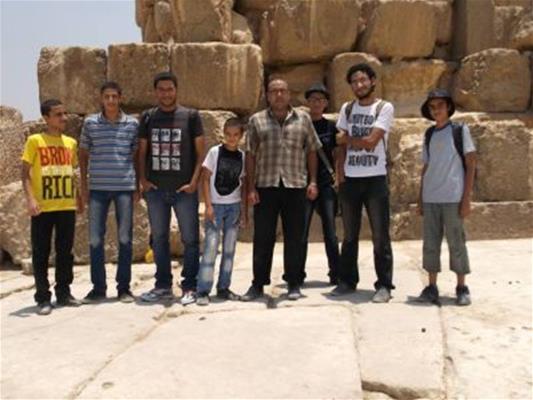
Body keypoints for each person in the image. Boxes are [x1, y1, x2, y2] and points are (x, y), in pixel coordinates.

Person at [241, 78, 322, 302]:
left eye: (282, 91)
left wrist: (313, 181)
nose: (278, 95)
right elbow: (250, 154)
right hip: (266, 185)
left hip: (295, 184)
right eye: (274, 91)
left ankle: (294, 282)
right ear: (267, 95)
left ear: (289, 94)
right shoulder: (257, 120)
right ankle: (258, 284)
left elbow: (312, 150)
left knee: (295, 237)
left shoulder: (303, 119)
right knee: (262, 237)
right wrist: (250, 188)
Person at [329, 63, 395, 303]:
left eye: (363, 80)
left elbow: (371, 141)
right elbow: (339, 146)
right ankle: (347, 280)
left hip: (375, 178)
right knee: (349, 235)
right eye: (354, 82)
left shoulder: (384, 107)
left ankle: (384, 284)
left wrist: (347, 139)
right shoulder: (347, 109)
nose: (359, 85)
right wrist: (340, 174)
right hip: (350, 179)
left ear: (373, 81)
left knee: (380, 235)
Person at [138, 72, 205, 306]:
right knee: (159, 239)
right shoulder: (147, 117)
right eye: (161, 89)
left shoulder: (191, 116)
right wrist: (143, 180)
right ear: (155, 92)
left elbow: (201, 153)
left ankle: (190, 285)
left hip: (184, 189)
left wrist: (194, 182)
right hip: (156, 189)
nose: (166, 94)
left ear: (176, 90)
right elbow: (142, 152)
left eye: (170, 89)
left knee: (190, 240)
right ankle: (163, 286)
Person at [79, 81, 139, 304]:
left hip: (124, 187)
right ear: (101, 98)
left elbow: (136, 156)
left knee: (125, 238)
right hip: (97, 187)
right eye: (107, 97)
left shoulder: (132, 124)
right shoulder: (90, 123)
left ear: (120, 98)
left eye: (114, 96)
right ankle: (98, 288)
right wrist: (83, 185)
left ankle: (124, 288)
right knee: (95, 239)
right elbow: (83, 154)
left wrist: (137, 185)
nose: (111, 100)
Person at [21, 99, 82, 315]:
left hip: (66, 205)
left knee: (65, 252)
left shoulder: (71, 143)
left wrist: (79, 198)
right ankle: (43, 297)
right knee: (41, 253)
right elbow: (24, 173)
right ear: (46, 118)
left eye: (65, 113)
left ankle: (64, 293)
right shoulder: (35, 141)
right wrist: (30, 199)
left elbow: (72, 173)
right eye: (58, 114)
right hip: (43, 207)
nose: (64, 118)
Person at [416, 89, 476, 306]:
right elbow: (426, 166)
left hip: (453, 196)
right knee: (430, 244)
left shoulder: (459, 130)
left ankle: (461, 287)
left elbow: (471, 163)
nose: (436, 110)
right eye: (432, 107)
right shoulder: (429, 134)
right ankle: (431, 286)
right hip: (431, 196)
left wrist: (466, 198)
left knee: (456, 242)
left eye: (440, 105)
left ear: (448, 107)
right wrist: (420, 197)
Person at [196, 118, 246, 306]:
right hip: (216, 206)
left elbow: (242, 183)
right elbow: (205, 179)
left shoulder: (242, 156)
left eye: (235, 135)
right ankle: (203, 290)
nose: (231, 138)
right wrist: (208, 206)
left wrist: (243, 211)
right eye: (228, 134)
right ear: (223, 134)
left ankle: (224, 287)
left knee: (229, 250)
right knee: (210, 248)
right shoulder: (215, 152)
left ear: (241, 136)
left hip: (234, 206)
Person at [301, 83, 340, 285]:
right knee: (301, 232)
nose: (317, 103)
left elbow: (337, 154)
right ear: (307, 102)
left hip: (325, 183)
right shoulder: (300, 125)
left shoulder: (331, 127)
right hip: (302, 183)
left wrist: (339, 180)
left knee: (330, 231)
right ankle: (297, 274)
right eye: (313, 99)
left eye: (321, 100)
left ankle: (336, 273)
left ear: (326, 103)